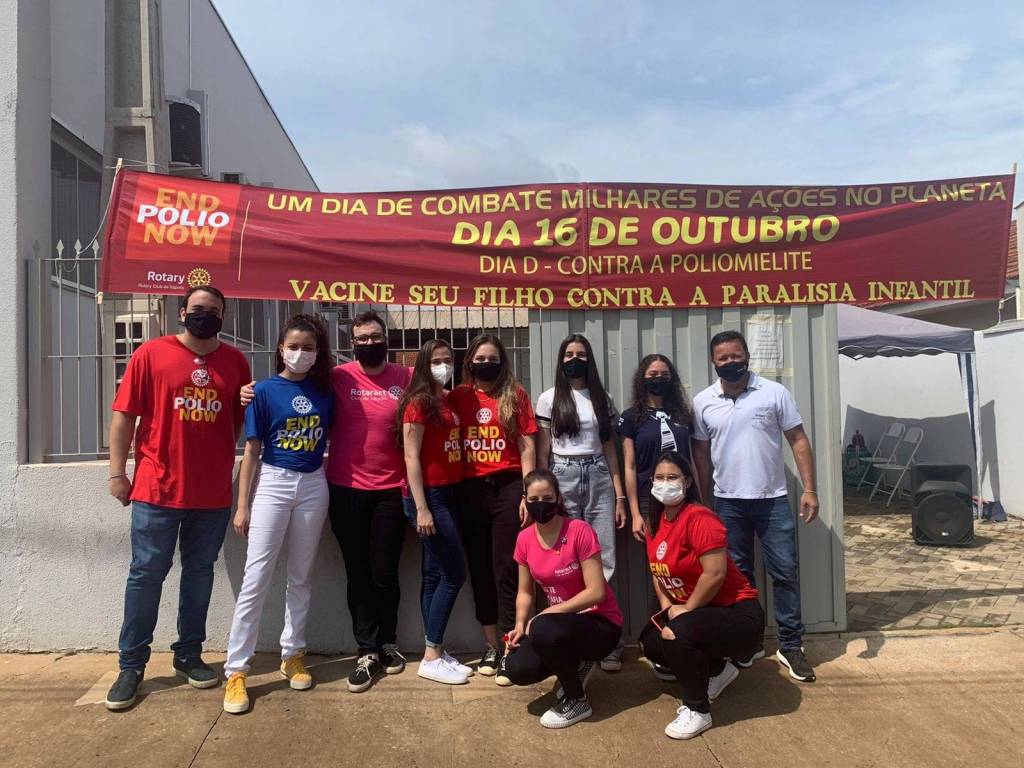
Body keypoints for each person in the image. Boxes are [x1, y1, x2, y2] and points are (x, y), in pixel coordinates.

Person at [240, 309, 412, 693]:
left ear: (387, 339)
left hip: (389, 488)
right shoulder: (337, 378)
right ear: (352, 343)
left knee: (384, 572)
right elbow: (287, 393)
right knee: (357, 571)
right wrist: (246, 392)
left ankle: (387, 643)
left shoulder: (405, 376)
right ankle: (366, 649)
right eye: (362, 338)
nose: (369, 343)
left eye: (376, 337)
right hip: (343, 487)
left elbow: (438, 393)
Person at [104, 286, 251, 711]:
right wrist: (117, 473)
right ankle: (131, 666)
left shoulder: (235, 362)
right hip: (156, 490)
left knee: (199, 574)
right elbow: (124, 416)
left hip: (211, 494)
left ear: (223, 316)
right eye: (198, 308)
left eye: (215, 310)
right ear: (182, 312)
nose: (206, 315)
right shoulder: (151, 354)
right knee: (146, 575)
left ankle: (189, 655)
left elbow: (237, 421)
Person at [691, 330, 819, 683]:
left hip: (772, 500)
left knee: (785, 573)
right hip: (727, 503)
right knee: (739, 578)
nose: (730, 362)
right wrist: (704, 499)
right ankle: (747, 642)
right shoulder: (703, 402)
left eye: (736, 356)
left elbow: (798, 439)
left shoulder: (774, 393)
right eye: (723, 358)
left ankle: (791, 645)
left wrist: (810, 489)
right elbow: (700, 453)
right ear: (713, 362)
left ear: (747, 356)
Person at [222, 315, 335, 714]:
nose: (300, 353)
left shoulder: (326, 391)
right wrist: (243, 504)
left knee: (300, 576)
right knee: (256, 576)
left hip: (314, 483)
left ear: (318, 352)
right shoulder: (263, 391)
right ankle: (237, 670)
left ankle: (293, 654)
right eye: (294, 346)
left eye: (309, 347)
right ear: (281, 349)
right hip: (273, 481)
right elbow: (251, 451)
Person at [639, 451, 764, 740]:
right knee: (651, 641)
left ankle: (698, 709)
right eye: (659, 478)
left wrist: (687, 609)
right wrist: (668, 607)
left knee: (676, 634)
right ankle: (718, 671)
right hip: (701, 613)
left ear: (687, 481)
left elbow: (715, 573)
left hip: (738, 612)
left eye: (673, 477)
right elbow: (657, 571)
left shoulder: (700, 518)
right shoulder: (653, 524)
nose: (665, 483)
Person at [534, 333, 627, 671]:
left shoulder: (603, 398)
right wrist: (544, 492)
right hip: (563, 475)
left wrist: (620, 496)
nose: (575, 359)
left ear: (590, 360)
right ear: (561, 360)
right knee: (568, 558)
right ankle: (571, 635)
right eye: (569, 354)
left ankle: (607, 639)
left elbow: (610, 449)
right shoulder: (548, 399)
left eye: (582, 354)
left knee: (604, 556)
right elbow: (543, 451)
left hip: (599, 474)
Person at [503, 469, 623, 729]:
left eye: (547, 498)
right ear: (524, 500)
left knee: (543, 628)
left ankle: (577, 700)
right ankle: (578, 665)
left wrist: (547, 613)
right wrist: (520, 626)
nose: (540, 504)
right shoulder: (524, 539)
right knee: (517, 668)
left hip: (600, 623)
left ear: (558, 497)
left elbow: (596, 592)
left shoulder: (579, 530)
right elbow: (525, 592)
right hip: (560, 626)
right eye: (533, 499)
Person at [449, 333, 537, 682]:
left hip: (508, 487)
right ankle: (490, 645)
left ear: (503, 362)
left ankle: (511, 643)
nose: (486, 364)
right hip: (470, 489)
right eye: (480, 359)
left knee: (506, 568)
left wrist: (527, 493)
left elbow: (527, 447)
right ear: (469, 362)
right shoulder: (458, 397)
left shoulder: (515, 395)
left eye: (492, 359)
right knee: (480, 567)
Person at [398, 339, 473, 685]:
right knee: (454, 574)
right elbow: (411, 457)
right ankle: (431, 656)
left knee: (433, 574)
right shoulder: (418, 402)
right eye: (436, 361)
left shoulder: (445, 399)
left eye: (448, 359)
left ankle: (436, 650)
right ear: (423, 366)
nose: (444, 366)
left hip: (450, 492)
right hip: (430, 497)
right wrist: (422, 508)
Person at [617, 353, 693, 680]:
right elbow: (629, 466)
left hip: (684, 499)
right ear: (642, 378)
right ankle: (660, 638)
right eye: (652, 373)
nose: (658, 378)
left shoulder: (683, 415)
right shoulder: (631, 418)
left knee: (686, 569)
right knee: (660, 571)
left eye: (663, 373)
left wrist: (701, 500)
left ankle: (688, 632)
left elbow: (693, 457)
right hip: (651, 502)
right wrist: (635, 511)